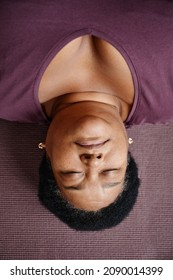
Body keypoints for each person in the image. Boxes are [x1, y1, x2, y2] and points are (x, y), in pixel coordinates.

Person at [1, 0, 173, 231]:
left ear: (47, 151)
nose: (93, 162)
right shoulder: (167, 96)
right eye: (110, 171)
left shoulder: (5, 92)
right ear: (127, 150)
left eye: (73, 174)